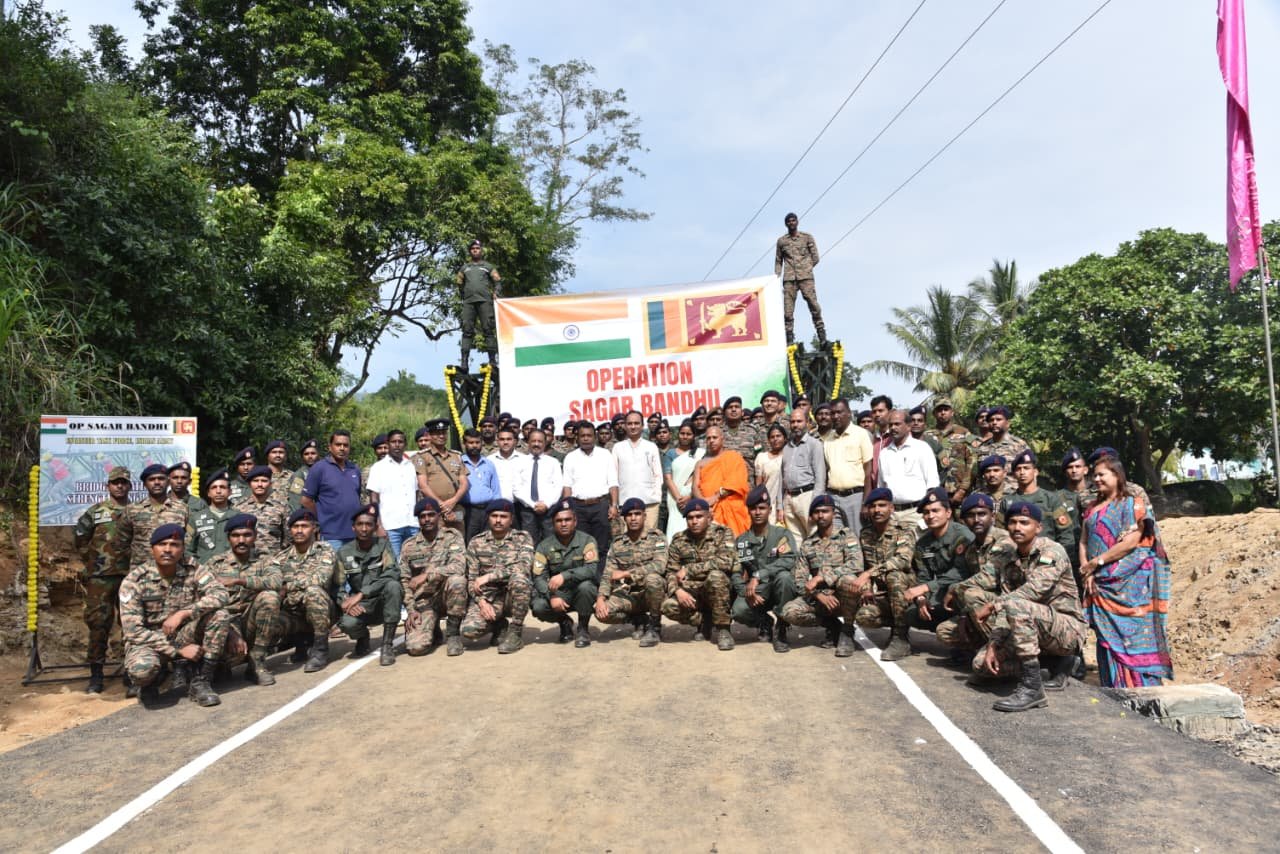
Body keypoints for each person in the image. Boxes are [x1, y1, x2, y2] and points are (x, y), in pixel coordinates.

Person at [968, 503, 1086, 712]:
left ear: (1038, 528)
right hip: (1030, 627)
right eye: (1012, 522)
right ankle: (1049, 665)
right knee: (981, 665)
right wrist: (994, 644)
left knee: (1017, 606)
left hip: (1067, 628)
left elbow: (1031, 592)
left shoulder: (1052, 552)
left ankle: (1033, 688)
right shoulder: (1010, 558)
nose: (1017, 528)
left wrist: (992, 605)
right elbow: (1008, 602)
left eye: (1024, 523)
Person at [1080, 456, 1173, 688]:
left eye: (1102, 474)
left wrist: (1097, 563)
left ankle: (1141, 689)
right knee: (1106, 641)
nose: (1097, 478)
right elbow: (1083, 541)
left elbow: (1132, 541)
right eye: (1095, 475)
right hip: (1099, 585)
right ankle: (1114, 687)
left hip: (1128, 585)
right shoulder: (1092, 508)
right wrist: (1087, 571)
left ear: (1117, 476)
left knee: (1131, 639)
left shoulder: (1133, 504)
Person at [118, 524, 232, 708]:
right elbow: (133, 632)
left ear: (182, 548)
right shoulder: (134, 581)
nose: (168, 550)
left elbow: (221, 594)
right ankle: (150, 683)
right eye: (162, 544)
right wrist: (177, 651)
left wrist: (185, 612)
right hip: (150, 641)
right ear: (152, 548)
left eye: (174, 544)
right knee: (142, 670)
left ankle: (201, 681)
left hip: (183, 633)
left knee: (219, 615)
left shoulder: (192, 568)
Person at [778, 494, 863, 656]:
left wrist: (823, 576)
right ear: (811, 516)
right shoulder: (808, 544)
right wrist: (817, 595)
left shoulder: (847, 536)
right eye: (816, 512)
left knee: (848, 579)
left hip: (845, 596)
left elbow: (856, 564)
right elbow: (800, 580)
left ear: (834, 513)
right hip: (822, 599)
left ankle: (847, 631)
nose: (821, 515)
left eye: (825, 511)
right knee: (790, 611)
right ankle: (832, 625)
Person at [204, 514, 283, 686]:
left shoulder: (264, 559)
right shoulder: (215, 564)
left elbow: (276, 582)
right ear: (228, 538)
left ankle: (257, 663)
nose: (241, 540)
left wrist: (241, 581)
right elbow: (202, 598)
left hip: (251, 622)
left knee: (270, 597)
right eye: (236, 536)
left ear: (254, 536)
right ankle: (220, 665)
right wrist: (230, 632)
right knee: (221, 677)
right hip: (225, 624)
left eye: (246, 535)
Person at [73, 465, 132, 693]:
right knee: (99, 624)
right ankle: (96, 675)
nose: (119, 486)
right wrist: (92, 561)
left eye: (123, 482)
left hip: (129, 578)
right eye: (115, 482)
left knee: (129, 624)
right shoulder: (96, 512)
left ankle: (131, 671)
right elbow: (80, 536)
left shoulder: (135, 511)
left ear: (129, 486)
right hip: (100, 578)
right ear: (108, 485)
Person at [898, 487, 974, 659]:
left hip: (962, 591)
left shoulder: (963, 536)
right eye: (926, 512)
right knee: (911, 613)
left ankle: (967, 642)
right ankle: (949, 632)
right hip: (940, 591)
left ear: (948, 513)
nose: (930, 516)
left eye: (935, 510)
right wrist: (921, 599)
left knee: (956, 590)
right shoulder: (923, 543)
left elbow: (961, 572)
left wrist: (925, 588)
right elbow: (923, 575)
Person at [937, 493, 1012, 654]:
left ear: (992, 516)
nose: (977, 519)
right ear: (964, 520)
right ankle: (982, 649)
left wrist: (955, 589)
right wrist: (965, 615)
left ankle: (1005, 653)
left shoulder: (1004, 540)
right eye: (971, 515)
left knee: (969, 593)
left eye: (982, 514)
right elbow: (969, 581)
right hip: (986, 604)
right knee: (945, 631)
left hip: (1010, 603)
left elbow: (990, 578)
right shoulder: (971, 549)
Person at [851, 488, 919, 660]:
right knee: (864, 616)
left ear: (892, 508)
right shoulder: (865, 534)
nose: (877, 510)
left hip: (906, 588)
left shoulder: (904, 530)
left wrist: (871, 573)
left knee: (894, 576)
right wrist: (866, 588)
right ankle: (896, 620)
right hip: (883, 593)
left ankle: (900, 637)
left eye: (882, 505)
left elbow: (903, 561)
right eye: (872, 506)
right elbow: (863, 566)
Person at [661, 499, 738, 650]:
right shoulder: (679, 539)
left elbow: (725, 561)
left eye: (699, 517)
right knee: (667, 606)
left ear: (709, 517)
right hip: (693, 592)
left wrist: (689, 570)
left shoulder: (723, 533)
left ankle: (723, 629)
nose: (694, 521)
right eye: (690, 518)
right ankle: (703, 621)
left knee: (716, 576)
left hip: (719, 589)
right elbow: (671, 571)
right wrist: (677, 590)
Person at [271, 509, 342, 674]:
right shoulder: (281, 558)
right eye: (295, 526)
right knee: (266, 609)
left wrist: (287, 586)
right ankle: (298, 644)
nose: (299, 530)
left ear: (314, 528)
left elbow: (320, 579)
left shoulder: (325, 550)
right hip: (293, 612)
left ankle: (320, 649)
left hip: (324, 610)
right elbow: (273, 584)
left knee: (313, 592)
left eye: (304, 526)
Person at [732, 486, 799, 653]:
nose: (757, 512)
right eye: (753, 508)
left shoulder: (780, 534)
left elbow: (789, 559)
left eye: (762, 508)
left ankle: (781, 628)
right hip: (757, 592)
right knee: (738, 610)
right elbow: (736, 571)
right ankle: (765, 622)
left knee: (785, 578)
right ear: (748, 511)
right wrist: (744, 591)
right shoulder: (742, 541)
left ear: (769, 510)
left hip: (778, 588)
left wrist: (759, 574)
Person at [398, 498, 468, 656]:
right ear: (418, 519)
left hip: (446, 595)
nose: (427, 519)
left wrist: (427, 575)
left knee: (458, 581)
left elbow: (459, 566)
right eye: (422, 516)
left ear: (438, 516)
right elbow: (404, 580)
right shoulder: (409, 546)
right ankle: (432, 628)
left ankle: (453, 634)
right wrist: (410, 610)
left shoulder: (452, 536)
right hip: (424, 601)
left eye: (431, 514)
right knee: (415, 648)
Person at [462, 499, 533, 654]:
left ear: (511, 519)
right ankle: (499, 625)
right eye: (494, 516)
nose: (498, 520)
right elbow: (471, 579)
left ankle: (515, 633)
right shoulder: (476, 542)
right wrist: (481, 602)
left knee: (520, 580)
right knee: (469, 630)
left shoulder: (522, 538)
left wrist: (490, 576)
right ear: (488, 517)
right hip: (489, 597)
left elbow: (524, 567)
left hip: (511, 595)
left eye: (503, 516)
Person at [595, 498, 668, 647]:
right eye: (629, 515)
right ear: (624, 518)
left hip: (652, 593)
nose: (633, 518)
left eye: (637, 514)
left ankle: (654, 626)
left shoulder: (657, 537)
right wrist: (601, 598)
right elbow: (608, 574)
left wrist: (626, 574)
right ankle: (639, 620)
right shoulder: (618, 543)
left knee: (653, 579)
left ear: (644, 516)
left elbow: (659, 566)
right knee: (603, 613)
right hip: (629, 595)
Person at [334, 505, 402, 666]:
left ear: (375, 527)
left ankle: (387, 645)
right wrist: (345, 601)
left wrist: (361, 594)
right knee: (347, 623)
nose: (364, 529)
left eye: (368, 524)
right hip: (362, 606)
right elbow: (338, 584)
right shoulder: (344, 552)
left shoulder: (383, 545)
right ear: (353, 527)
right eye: (360, 524)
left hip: (383, 601)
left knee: (393, 586)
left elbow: (392, 572)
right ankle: (362, 637)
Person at [531, 500, 600, 648]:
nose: (563, 524)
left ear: (575, 521)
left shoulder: (587, 540)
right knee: (538, 606)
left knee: (587, 587)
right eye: (559, 520)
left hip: (580, 591)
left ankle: (583, 628)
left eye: (567, 519)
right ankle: (564, 622)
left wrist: (565, 576)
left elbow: (591, 569)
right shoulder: (544, 546)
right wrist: (552, 596)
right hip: (559, 594)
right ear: (553, 523)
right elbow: (539, 577)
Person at [999, 450, 1077, 568]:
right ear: (1014, 474)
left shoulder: (1051, 499)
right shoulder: (1007, 501)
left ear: (1035, 472)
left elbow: (1066, 535)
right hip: (1016, 562)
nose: (1022, 472)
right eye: (1018, 469)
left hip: (1047, 560)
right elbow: (1000, 534)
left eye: (1026, 468)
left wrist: (1060, 561)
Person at [110, 463, 191, 576]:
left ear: (167, 482)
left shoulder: (182, 509)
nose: (157, 482)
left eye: (161, 479)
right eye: (152, 479)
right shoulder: (132, 510)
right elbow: (121, 543)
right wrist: (140, 556)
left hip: (173, 572)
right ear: (145, 484)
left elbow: (187, 541)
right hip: (141, 573)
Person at [560, 422, 618, 571]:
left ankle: (600, 583)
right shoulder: (570, 457)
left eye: (589, 435)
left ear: (595, 436)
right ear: (577, 438)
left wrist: (614, 505)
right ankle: (584, 580)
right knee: (581, 546)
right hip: (578, 507)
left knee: (602, 546)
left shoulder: (605, 455)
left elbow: (613, 482)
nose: (586, 439)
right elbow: (567, 486)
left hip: (601, 505)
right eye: (582, 436)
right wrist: (567, 510)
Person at [301, 431, 363, 552]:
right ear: (330, 447)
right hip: (331, 535)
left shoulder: (354, 469)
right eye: (338, 444)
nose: (342, 448)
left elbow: (356, 496)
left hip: (355, 533)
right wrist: (321, 519)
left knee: (353, 570)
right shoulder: (319, 468)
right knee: (333, 570)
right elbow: (306, 500)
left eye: (346, 445)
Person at [876, 410, 939, 528]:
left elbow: (932, 484)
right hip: (892, 515)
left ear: (908, 426)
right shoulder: (884, 453)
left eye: (897, 424)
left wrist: (928, 512)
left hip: (915, 513)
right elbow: (881, 487)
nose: (893, 428)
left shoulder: (921, 448)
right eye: (890, 425)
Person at [365, 428, 419, 561]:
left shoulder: (411, 466)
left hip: (413, 524)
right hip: (391, 526)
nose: (397, 445)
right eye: (393, 442)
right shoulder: (378, 468)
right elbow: (374, 498)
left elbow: (416, 495)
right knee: (394, 565)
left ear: (405, 444)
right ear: (388, 444)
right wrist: (378, 525)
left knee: (415, 563)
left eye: (400, 442)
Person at [774, 212, 826, 347]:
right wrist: (777, 276)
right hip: (789, 279)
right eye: (789, 221)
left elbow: (815, 257)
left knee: (813, 305)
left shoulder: (807, 238)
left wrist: (806, 269)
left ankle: (821, 334)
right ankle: (789, 338)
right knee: (788, 311)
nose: (791, 223)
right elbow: (778, 261)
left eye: (793, 220)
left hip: (805, 278)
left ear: (797, 222)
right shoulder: (781, 241)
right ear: (786, 224)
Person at [822, 398, 873, 535]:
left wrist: (865, 503)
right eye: (832, 413)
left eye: (840, 412)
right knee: (837, 540)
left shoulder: (861, 434)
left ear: (849, 413)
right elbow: (827, 471)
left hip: (855, 498)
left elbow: (869, 472)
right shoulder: (828, 439)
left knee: (857, 538)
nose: (836, 416)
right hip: (833, 497)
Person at [692, 425, 750, 536]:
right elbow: (694, 487)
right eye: (708, 438)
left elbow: (736, 483)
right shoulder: (700, 463)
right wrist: (705, 503)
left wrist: (716, 497)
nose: (711, 441)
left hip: (732, 508)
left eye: (714, 437)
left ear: (722, 439)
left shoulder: (734, 457)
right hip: (709, 510)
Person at [414, 418, 469, 533]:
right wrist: (442, 505)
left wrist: (453, 501)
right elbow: (423, 485)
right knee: (436, 545)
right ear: (429, 436)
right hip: (433, 510)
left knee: (458, 541)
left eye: (444, 433)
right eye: (437, 433)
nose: (441, 436)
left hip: (455, 508)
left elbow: (464, 483)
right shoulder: (422, 457)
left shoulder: (456, 456)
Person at [613, 410, 663, 530]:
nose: (633, 426)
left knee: (650, 539)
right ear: (625, 425)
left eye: (636, 423)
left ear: (642, 425)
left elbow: (658, 475)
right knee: (627, 540)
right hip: (625, 502)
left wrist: (656, 496)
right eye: (630, 423)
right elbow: (613, 476)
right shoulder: (618, 447)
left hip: (649, 502)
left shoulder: (651, 447)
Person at [780, 409, 826, 538]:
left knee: (814, 536)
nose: (795, 425)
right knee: (795, 539)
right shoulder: (786, 447)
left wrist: (815, 503)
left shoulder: (814, 444)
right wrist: (781, 504)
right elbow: (781, 478)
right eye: (793, 422)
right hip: (789, 498)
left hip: (807, 497)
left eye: (799, 421)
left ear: (807, 422)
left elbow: (820, 477)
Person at [457, 238, 500, 371]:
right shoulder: (465, 268)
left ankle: (492, 361)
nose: (475, 250)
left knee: (488, 329)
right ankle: (464, 363)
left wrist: (496, 292)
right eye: (473, 249)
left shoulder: (488, 266)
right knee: (467, 331)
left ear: (481, 250)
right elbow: (459, 283)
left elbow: (497, 281)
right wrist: (464, 295)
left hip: (484, 302)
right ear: (470, 251)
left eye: (477, 248)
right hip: (469, 303)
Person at [514, 429, 563, 545]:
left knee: (550, 543)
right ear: (528, 443)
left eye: (540, 441)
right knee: (529, 543)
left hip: (549, 510)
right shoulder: (519, 462)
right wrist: (533, 504)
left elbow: (558, 486)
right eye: (533, 441)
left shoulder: (553, 462)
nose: (536, 444)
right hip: (527, 510)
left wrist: (546, 504)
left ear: (545, 443)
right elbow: (516, 487)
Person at [969, 406, 1029, 494]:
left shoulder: (1019, 445)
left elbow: (1029, 473)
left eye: (998, 419)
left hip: (1012, 495)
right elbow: (979, 476)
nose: (994, 422)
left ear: (1007, 423)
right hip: (987, 497)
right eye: (991, 420)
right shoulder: (982, 447)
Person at [925, 398, 973, 507]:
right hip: (935, 492)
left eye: (946, 409)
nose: (942, 413)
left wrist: (963, 489)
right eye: (939, 410)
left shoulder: (964, 433)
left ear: (952, 412)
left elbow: (972, 462)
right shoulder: (927, 436)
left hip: (959, 491)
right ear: (934, 414)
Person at [663, 420, 705, 540]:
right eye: (682, 433)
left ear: (694, 436)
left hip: (694, 496)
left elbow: (702, 476)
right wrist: (679, 499)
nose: (685, 436)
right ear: (678, 434)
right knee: (674, 529)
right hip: (675, 498)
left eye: (688, 434)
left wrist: (690, 496)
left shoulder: (701, 453)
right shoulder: (670, 454)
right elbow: (668, 478)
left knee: (694, 525)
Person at [460, 428, 502, 543]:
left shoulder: (488, 463)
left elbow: (496, 489)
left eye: (477, 442)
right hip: (468, 511)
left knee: (489, 541)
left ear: (481, 443)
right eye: (471, 443)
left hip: (488, 510)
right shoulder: (459, 463)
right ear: (464, 444)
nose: (474, 446)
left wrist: (497, 510)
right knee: (469, 541)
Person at [233, 465, 287, 553]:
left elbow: (288, 538)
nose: (260, 485)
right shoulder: (238, 507)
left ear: (270, 483)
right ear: (250, 483)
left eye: (264, 481)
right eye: (255, 481)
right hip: (247, 561)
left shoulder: (281, 507)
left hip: (273, 562)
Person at [189, 468, 236, 563]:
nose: (218, 491)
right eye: (214, 487)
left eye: (222, 487)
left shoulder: (238, 518)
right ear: (208, 493)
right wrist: (197, 568)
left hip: (232, 573)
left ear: (230, 492)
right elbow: (187, 549)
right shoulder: (195, 518)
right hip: (203, 573)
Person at [754, 424, 788, 525]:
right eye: (772, 437)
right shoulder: (762, 457)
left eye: (778, 436)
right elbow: (758, 484)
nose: (775, 439)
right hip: (768, 502)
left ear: (785, 438)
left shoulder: (789, 456)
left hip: (786, 503)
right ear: (768, 440)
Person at [287, 439, 320, 511]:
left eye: (313, 453)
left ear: (318, 454)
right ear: (302, 457)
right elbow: (295, 501)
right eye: (306, 454)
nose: (310, 456)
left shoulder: (325, 472)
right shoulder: (299, 475)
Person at [361, 434, 389, 502]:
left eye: (386, 448)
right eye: (379, 448)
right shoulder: (367, 471)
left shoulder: (399, 470)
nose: (383, 451)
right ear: (375, 451)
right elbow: (364, 495)